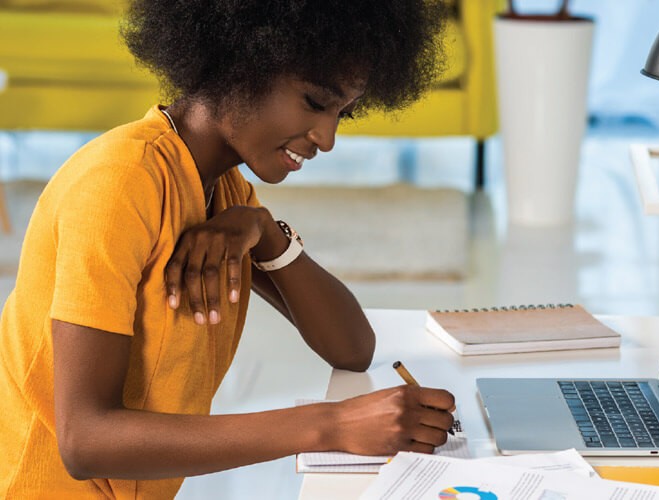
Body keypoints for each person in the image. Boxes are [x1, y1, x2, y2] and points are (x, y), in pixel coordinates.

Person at [0, 0, 455, 497]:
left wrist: (266, 233)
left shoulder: (224, 190)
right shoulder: (121, 183)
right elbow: (84, 441)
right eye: (314, 102)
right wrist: (330, 425)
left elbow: (352, 348)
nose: (327, 138)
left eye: (342, 113)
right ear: (244, 65)